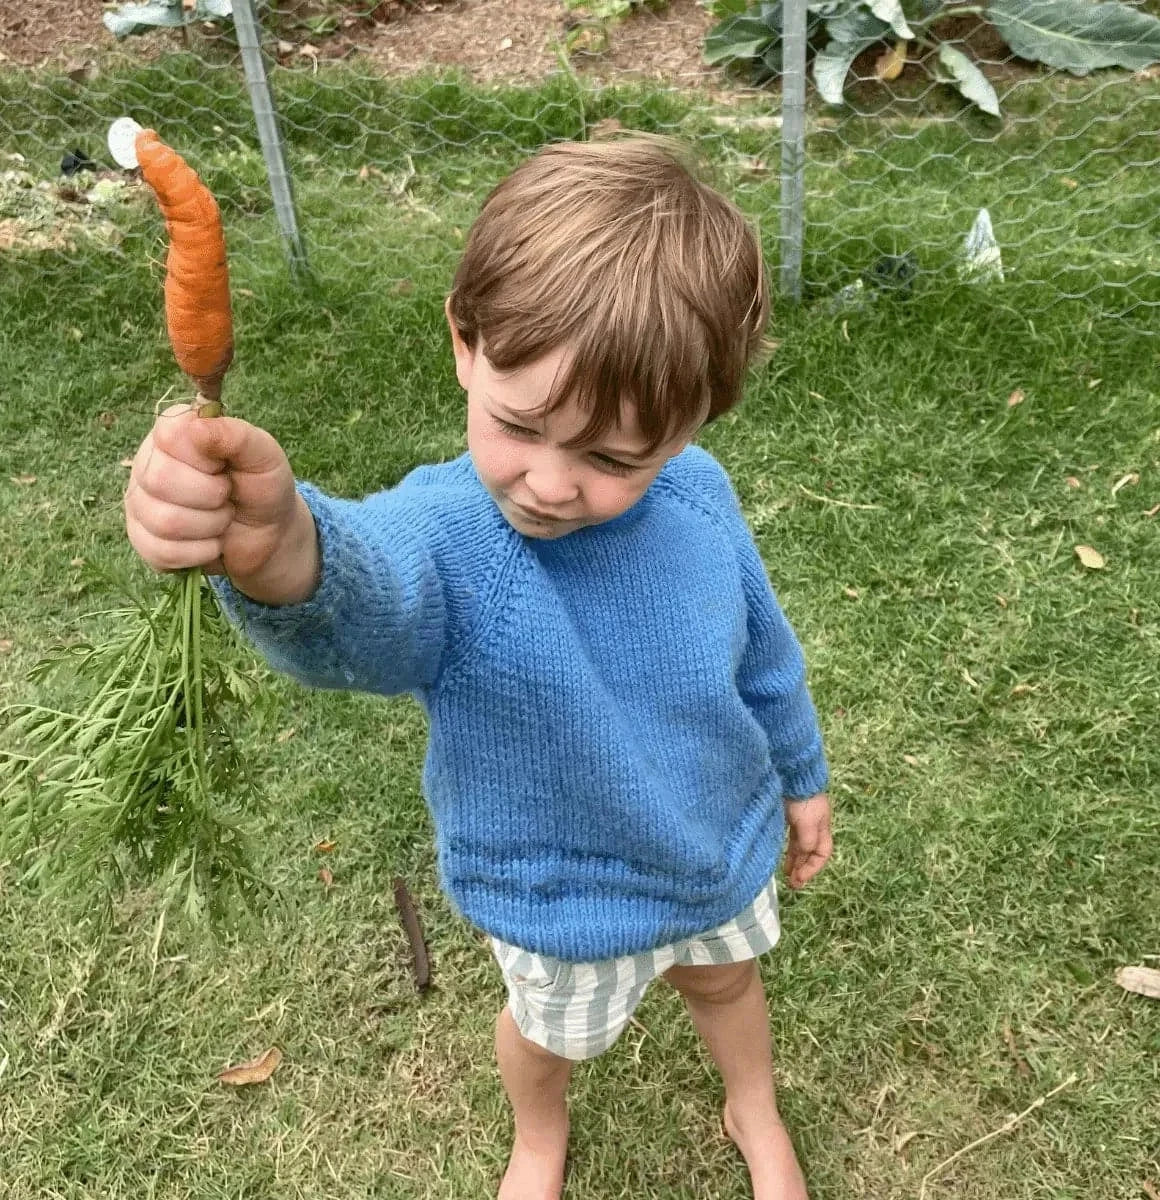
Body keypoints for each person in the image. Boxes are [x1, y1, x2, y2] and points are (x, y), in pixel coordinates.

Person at [124, 134, 833, 1200]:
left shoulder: (700, 499)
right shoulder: (455, 539)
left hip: (712, 841)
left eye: (611, 458)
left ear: (692, 428)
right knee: (548, 1040)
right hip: (562, 891)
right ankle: (539, 1134)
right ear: (466, 342)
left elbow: (763, 652)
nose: (550, 484)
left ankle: (753, 1104)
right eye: (519, 426)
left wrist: (802, 773)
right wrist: (280, 552)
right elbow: (371, 595)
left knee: (728, 980)